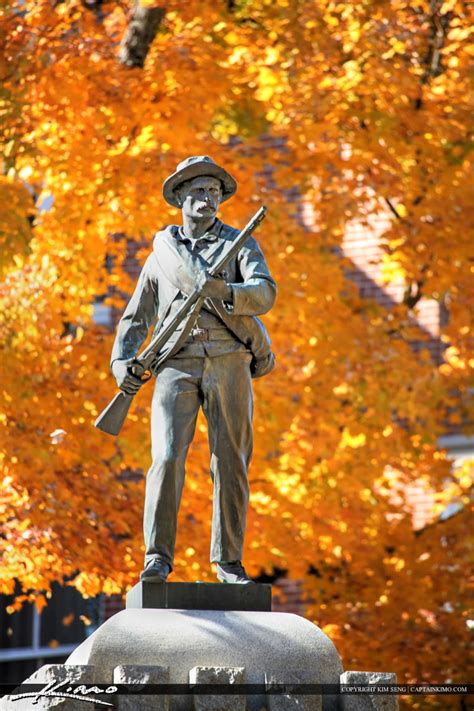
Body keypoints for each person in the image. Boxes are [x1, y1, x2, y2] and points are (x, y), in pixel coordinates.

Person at [110, 156, 276, 584]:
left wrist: (226, 290)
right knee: (165, 458)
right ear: (181, 197)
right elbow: (134, 321)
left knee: (230, 461)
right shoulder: (160, 259)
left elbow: (264, 292)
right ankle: (157, 558)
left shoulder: (239, 244)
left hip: (229, 359)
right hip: (175, 364)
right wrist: (121, 365)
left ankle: (228, 562)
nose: (209, 199)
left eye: (215, 193)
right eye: (200, 191)